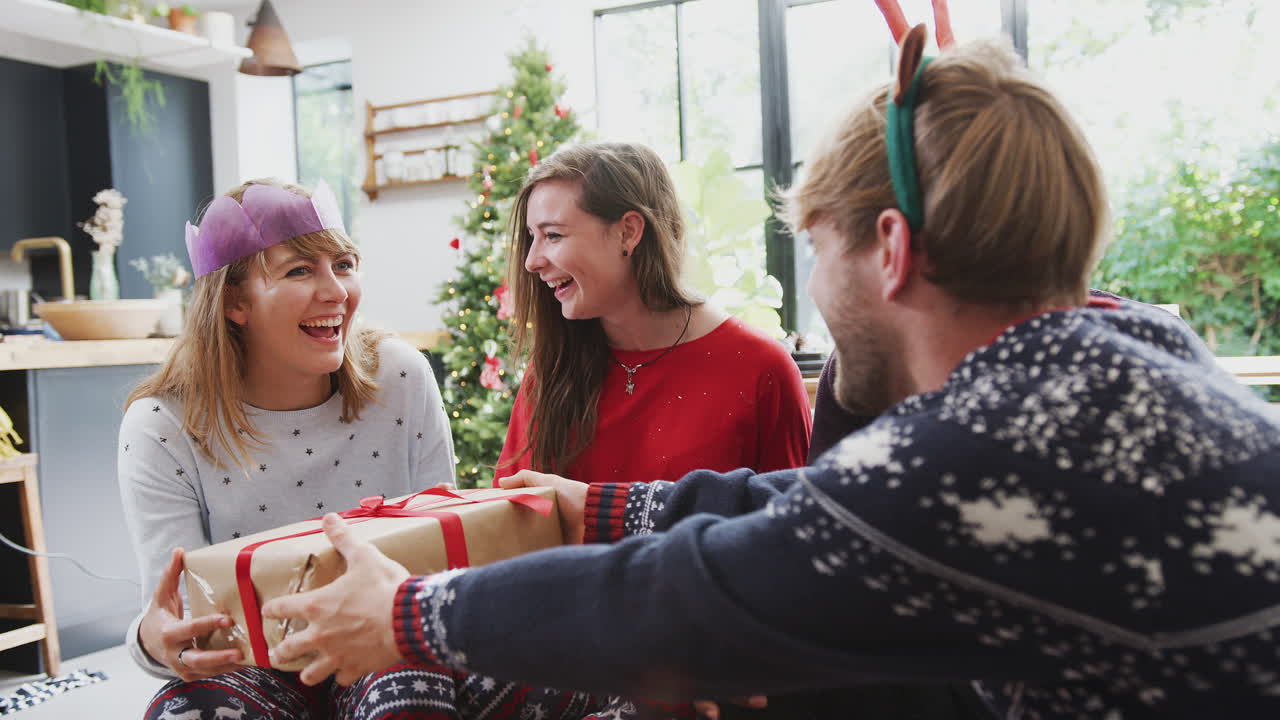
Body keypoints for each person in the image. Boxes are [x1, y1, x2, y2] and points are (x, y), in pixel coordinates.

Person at [262, 30, 1280, 719]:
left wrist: (407, 617)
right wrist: (602, 507)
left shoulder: (990, 446)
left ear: (887, 249)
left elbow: (680, 603)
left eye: (816, 249)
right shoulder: (1126, 352)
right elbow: (814, 504)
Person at [117, 179, 456, 719]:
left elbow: (442, 550)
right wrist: (152, 640)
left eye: (343, 264)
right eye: (301, 270)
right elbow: (174, 615)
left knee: (407, 693)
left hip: (383, 637)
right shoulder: (161, 425)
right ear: (234, 303)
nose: (337, 291)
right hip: (248, 662)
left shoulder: (402, 376)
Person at [494, 141, 811, 487]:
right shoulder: (551, 371)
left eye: (553, 235)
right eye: (531, 237)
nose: (531, 261)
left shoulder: (761, 370)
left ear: (628, 232)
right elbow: (513, 516)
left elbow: (789, 525)